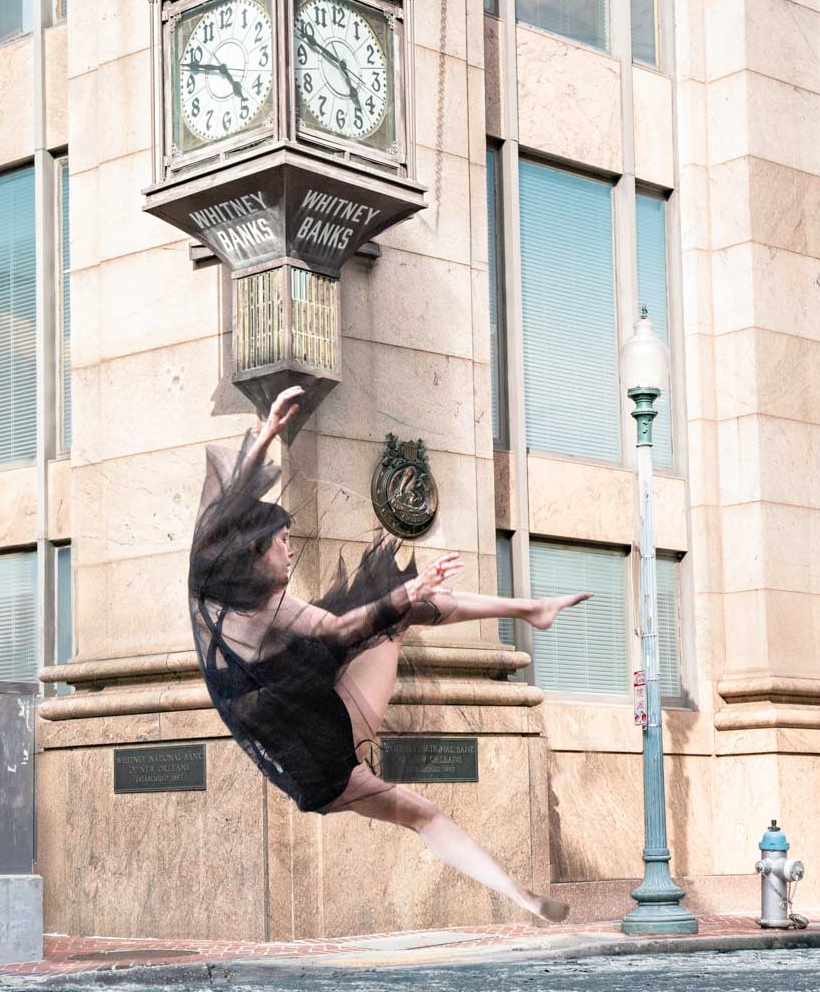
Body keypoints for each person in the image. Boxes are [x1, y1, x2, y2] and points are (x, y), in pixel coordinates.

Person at [188, 386, 591, 924]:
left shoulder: (243, 590)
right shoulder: (246, 601)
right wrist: (408, 591)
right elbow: (340, 628)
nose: (291, 549)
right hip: (318, 758)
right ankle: (524, 898)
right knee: (423, 807)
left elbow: (230, 508)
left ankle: (532, 609)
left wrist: (266, 435)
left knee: (393, 611)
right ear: (256, 550)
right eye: (283, 540)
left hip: (320, 716)